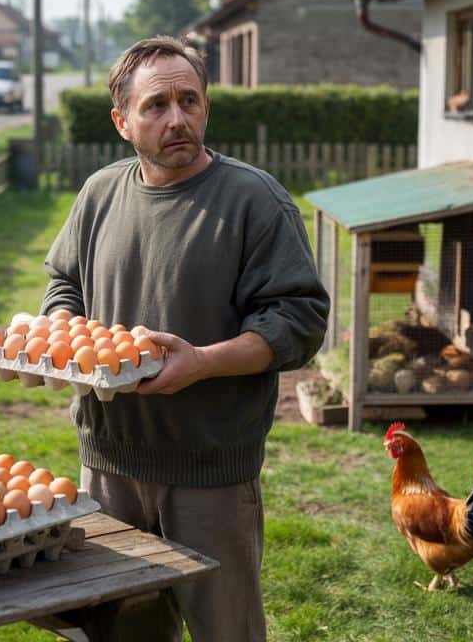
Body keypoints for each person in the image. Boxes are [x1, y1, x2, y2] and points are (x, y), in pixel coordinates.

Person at [41, 36, 329, 642]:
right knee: (123, 632)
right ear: (122, 121)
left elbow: (298, 320)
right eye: (156, 105)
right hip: (110, 463)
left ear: (206, 108)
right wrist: (61, 329)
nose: (177, 118)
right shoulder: (100, 194)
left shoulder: (255, 200)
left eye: (189, 101)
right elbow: (64, 280)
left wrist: (202, 361)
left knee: (226, 632)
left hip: (210, 470)